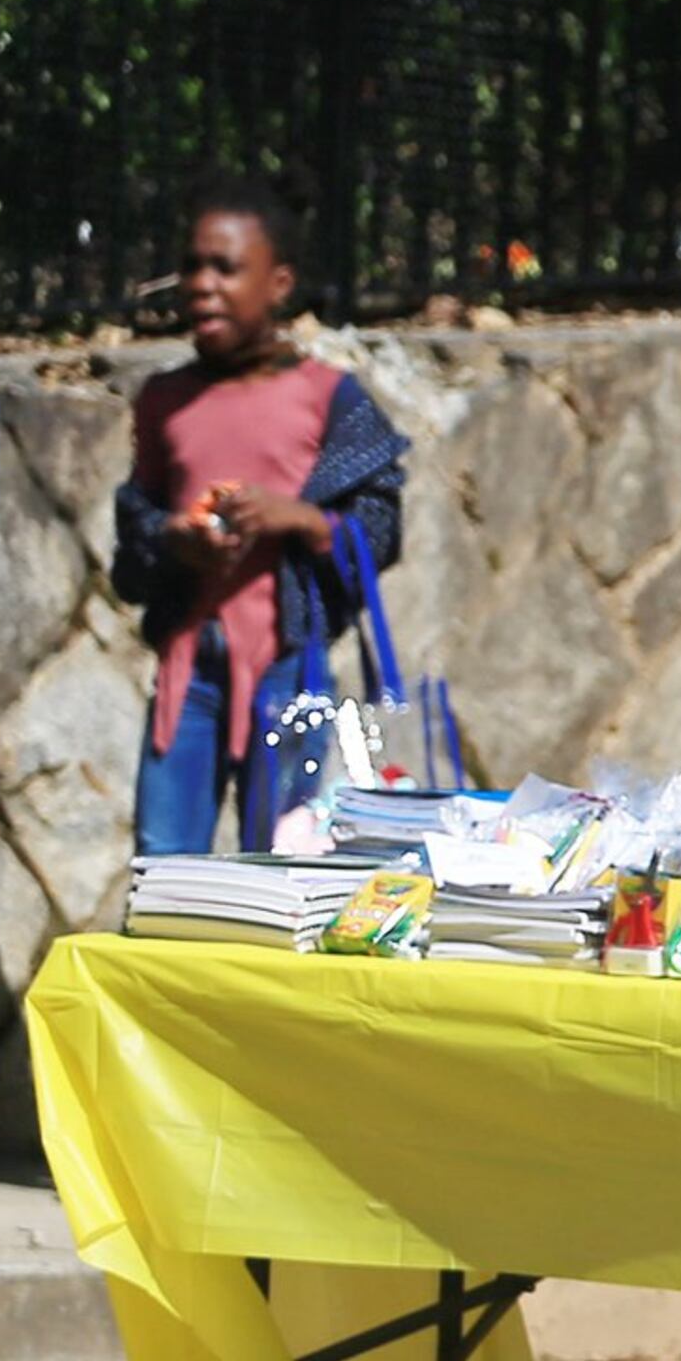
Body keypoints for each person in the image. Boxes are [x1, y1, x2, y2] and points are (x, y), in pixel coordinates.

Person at [111, 178, 409, 859]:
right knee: (161, 864)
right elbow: (132, 541)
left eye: (225, 267)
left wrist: (298, 519)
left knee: (281, 864)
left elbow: (381, 531)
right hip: (188, 678)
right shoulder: (164, 399)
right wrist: (173, 540)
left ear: (277, 283)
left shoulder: (330, 397)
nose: (202, 284)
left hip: (289, 674)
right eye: (192, 265)